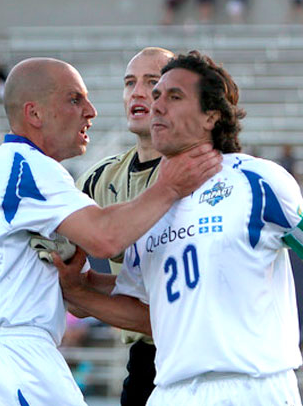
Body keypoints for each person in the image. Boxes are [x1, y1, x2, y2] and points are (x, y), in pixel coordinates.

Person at [54, 50, 303, 406]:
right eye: (156, 94)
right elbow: (143, 309)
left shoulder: (259, 181)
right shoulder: (147, 207)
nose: (156, 103)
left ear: (211, 115)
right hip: (170, 390)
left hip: (253, 388)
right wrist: (80, 291)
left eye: (173, 96)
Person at [0, 56, 221, 406]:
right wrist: (170, 188)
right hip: (13, 358)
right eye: (75, 99)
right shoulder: (54, 173)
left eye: (157, 85)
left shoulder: (16, 169)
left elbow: (49, 267)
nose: (91, 111)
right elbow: (104, 238)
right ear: (35, 114)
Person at [75, 47, 174, 406]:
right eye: (130, 82)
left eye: (152, 82)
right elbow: (38, 242)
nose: (137, 92)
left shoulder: (207, 174)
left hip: (207, 348)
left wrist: (82, 292)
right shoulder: (99, 179)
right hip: (145, 360)